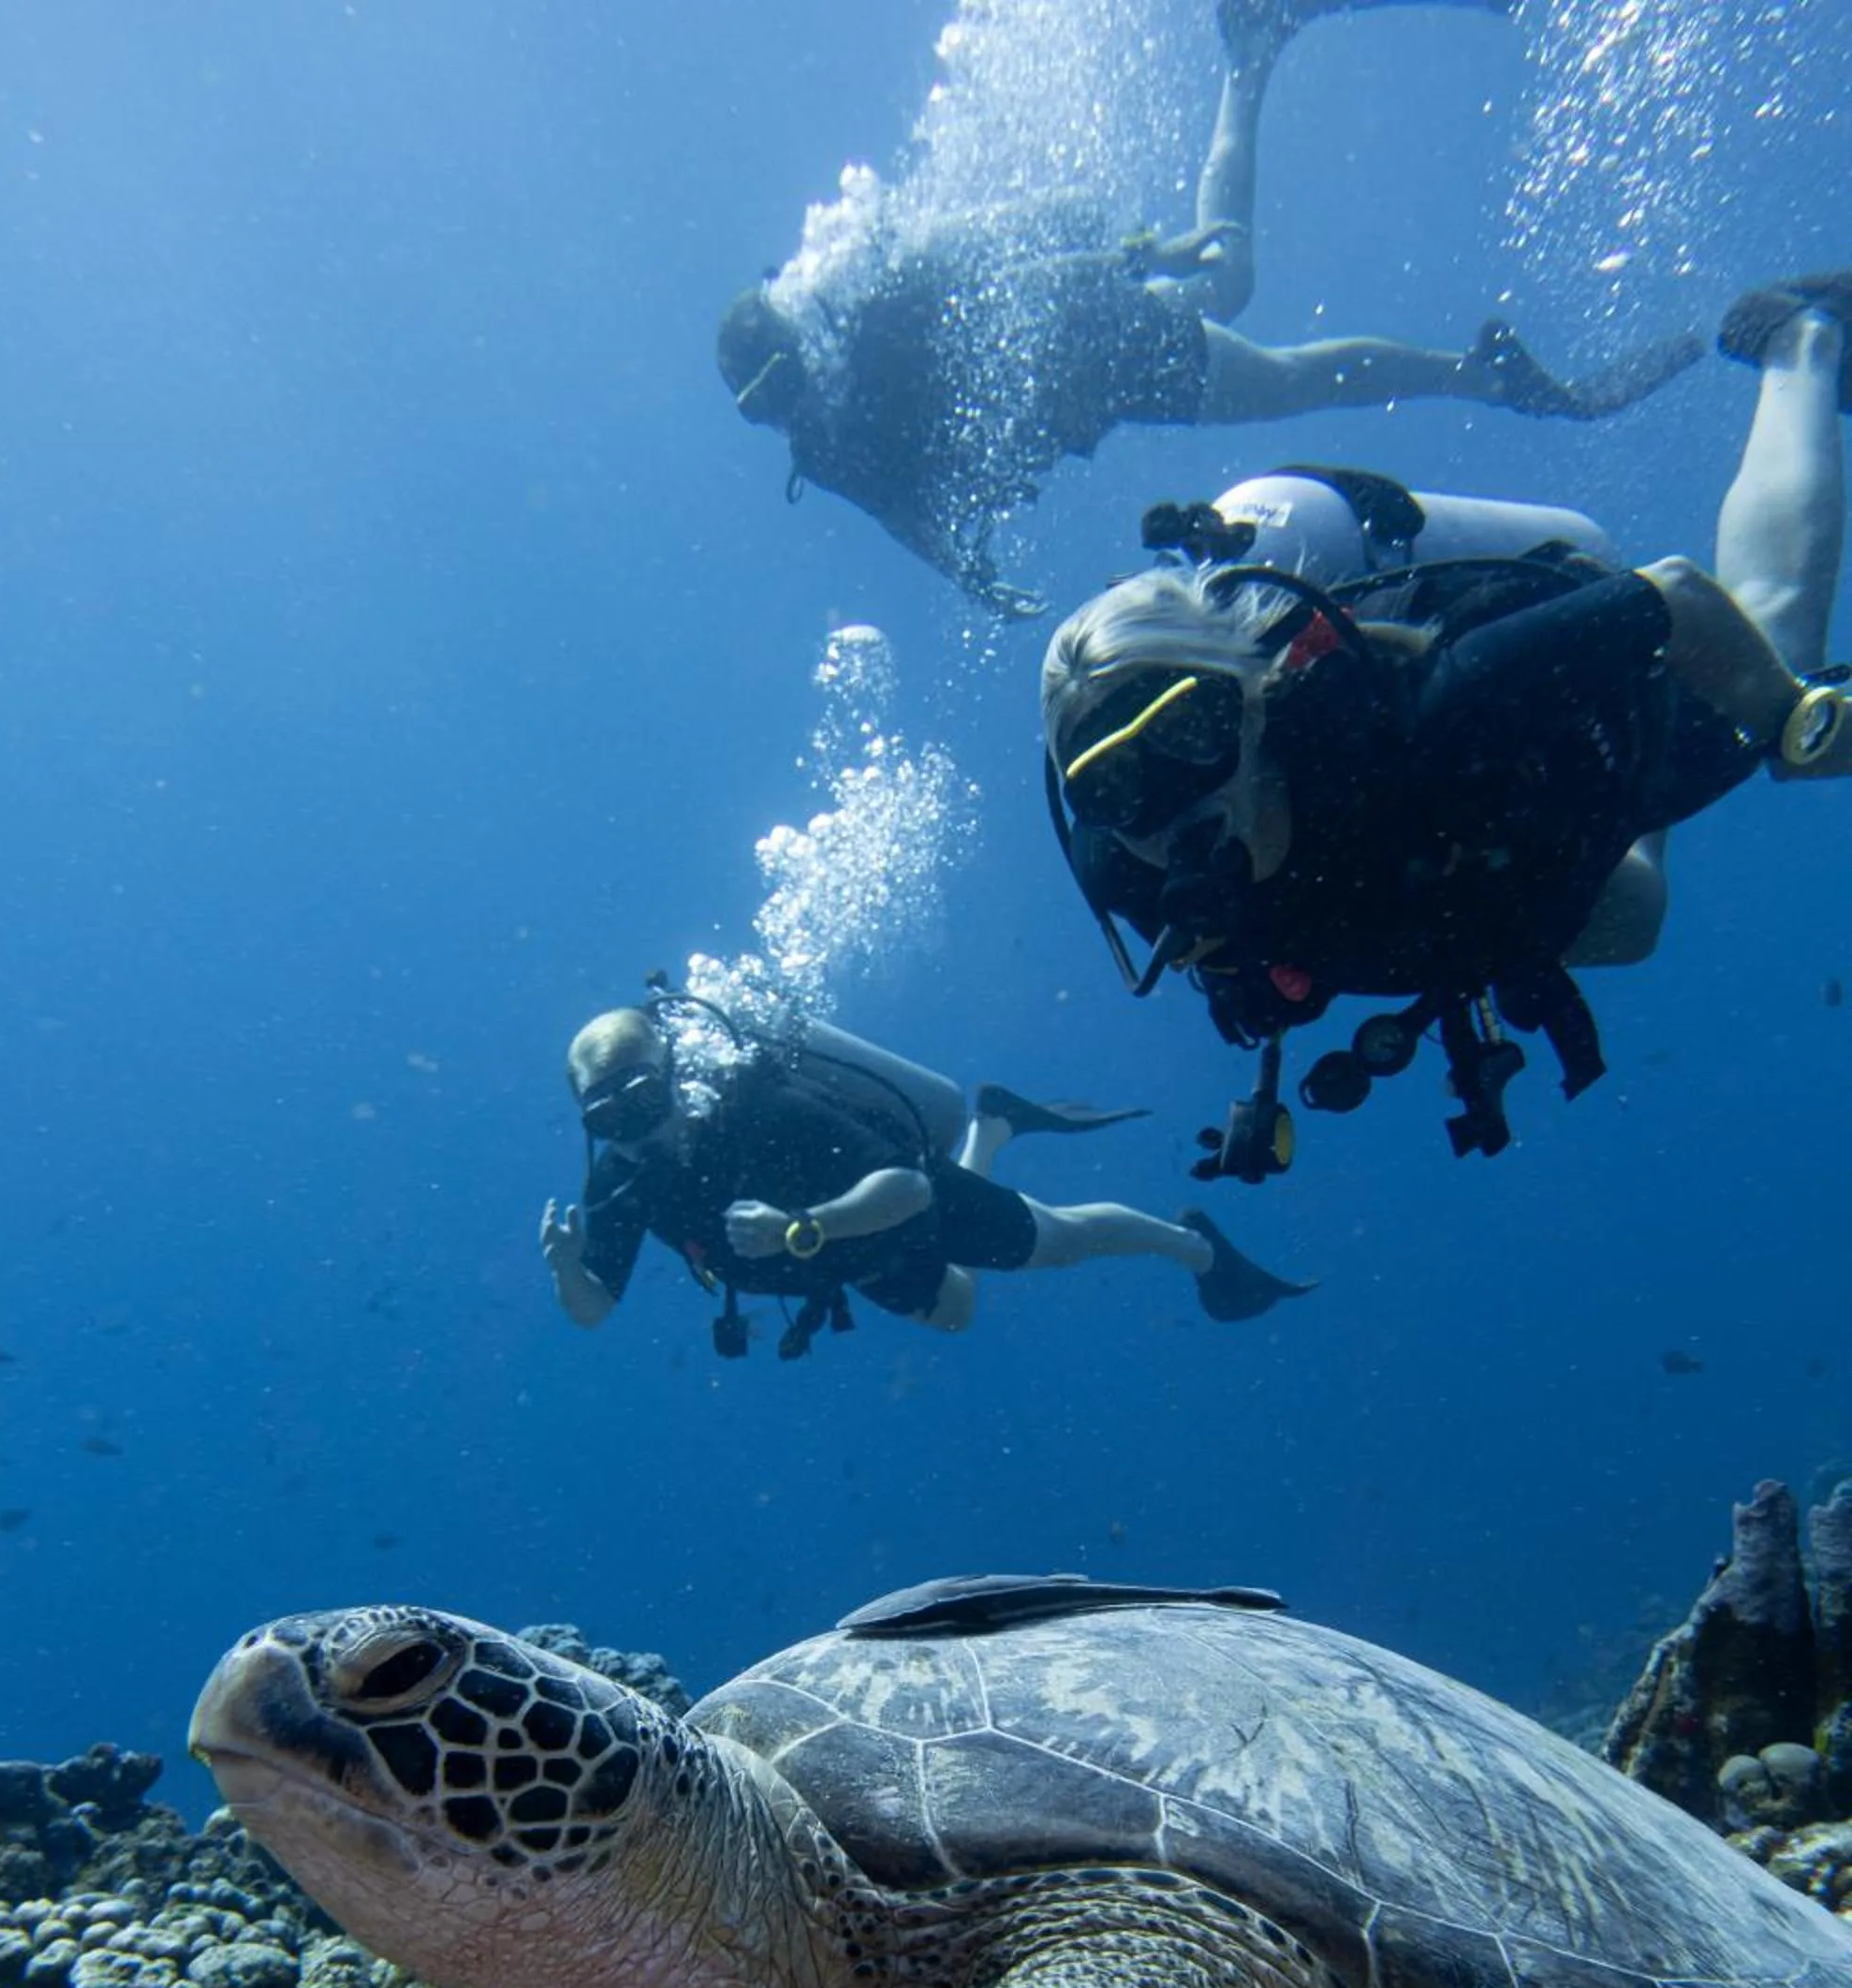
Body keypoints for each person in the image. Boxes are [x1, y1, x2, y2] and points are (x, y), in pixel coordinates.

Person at [1037, 271, 1852, 1175]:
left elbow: (1676, 595)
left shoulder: (1438, 707)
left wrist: (1787, 714)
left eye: (1192, 732)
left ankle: (1803, 342)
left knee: (1769, 642)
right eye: (1116, 786)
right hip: (1361, 760)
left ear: (1256, 703)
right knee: (1628, 920)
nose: (1175, 802)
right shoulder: (1124, 871)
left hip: (1372, 555)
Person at [716, 0, 1700, 614]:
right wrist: (964, 573)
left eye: (782, 385)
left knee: (1257, 333)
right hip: (1074, 385)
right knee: (1236, 292)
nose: (789, 406)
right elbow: (902, 517)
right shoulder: (827, 447)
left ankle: (1483, 373)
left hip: (1077, 337)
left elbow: (996, 266)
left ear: (803, 340)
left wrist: (1140, 254)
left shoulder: (880, 304)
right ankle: (1255, 45)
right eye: (767, 407)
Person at [538, 999, 1312, 1359]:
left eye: (641, 1097)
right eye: (606, 1115)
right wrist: (570, 1268)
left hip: (893, 1216)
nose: (631, 1126)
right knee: (959, 1311)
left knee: (1066, 1241)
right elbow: (594, 1309)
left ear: (673, 1074)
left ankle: (1200, 1251)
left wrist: (800, 1228)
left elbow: (909, 1189)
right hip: (845, 1261)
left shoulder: (763, 1106)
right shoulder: (619, 1184)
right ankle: (995, 1126)